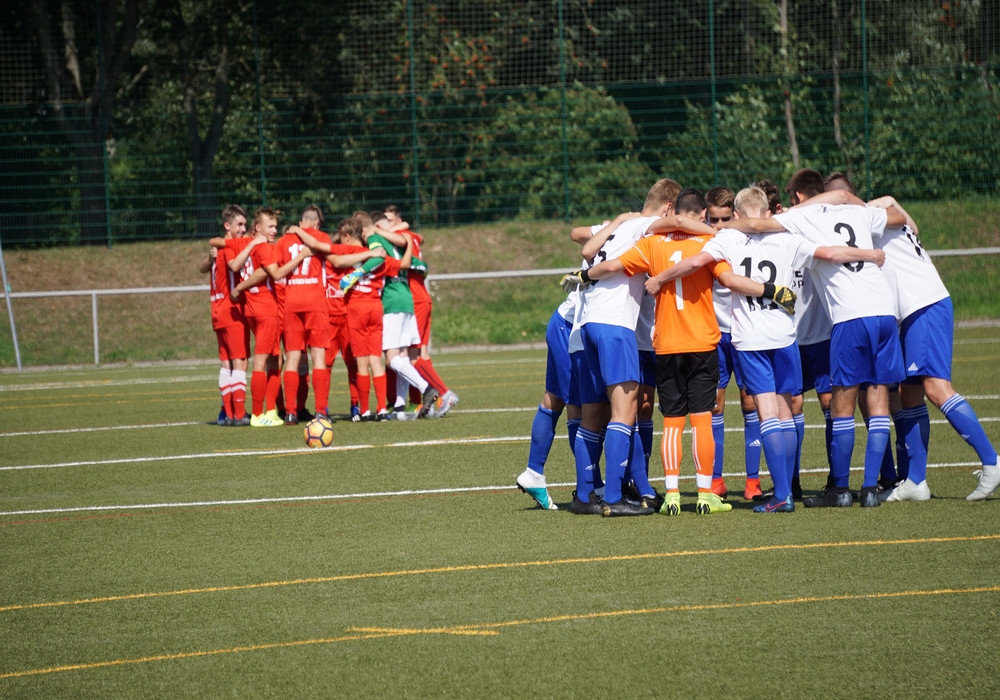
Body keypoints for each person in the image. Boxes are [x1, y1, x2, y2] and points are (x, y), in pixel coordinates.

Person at [645, 186, 885, 512]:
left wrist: (660, 278)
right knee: (787, 412)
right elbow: (830, 253)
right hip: (785, 336)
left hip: (750, 339)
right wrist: (869, 254)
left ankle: (782, 495)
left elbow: (694, 262)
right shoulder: (789, 238)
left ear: (737, 215)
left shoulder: (729, 238)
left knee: (767, 413)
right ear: (769, 213)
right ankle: (789, 487)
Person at [574, 188, 793, 516]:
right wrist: (771, 290)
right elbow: (728, 279)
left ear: (674, 211)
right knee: (702, 420)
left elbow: (612, 265)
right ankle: (705, 494)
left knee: (672, 422)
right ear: (702, 215)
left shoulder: (650, 243)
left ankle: (673, 494)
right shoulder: (709, 243)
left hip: (666, 344)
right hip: (702, 341)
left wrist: (584, 274)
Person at [728, 168, 907, 507]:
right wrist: (856, 204)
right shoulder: (860, 212)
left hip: (850, 316)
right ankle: (871, 489)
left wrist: (720, 227)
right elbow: (899, 217)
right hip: (884, 311)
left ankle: (839, 490)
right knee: (878, 400)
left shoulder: (803, 216)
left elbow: (756, 226)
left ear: (798, 197)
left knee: (841, 405)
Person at [561, 179, 704, 516]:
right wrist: (717, 233)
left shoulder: (621, 226)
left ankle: (596, 492)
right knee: (625, 413)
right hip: (615, 325)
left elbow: (584, 245)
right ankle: (613, 498)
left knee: (602, 412)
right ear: (667, 208)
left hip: (588, 324)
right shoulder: (645, 225)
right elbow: (680, 222)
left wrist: (619, 219)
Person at [862, 194, 1000, 501]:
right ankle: (916, 481)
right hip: (918, 309)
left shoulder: (867, 217)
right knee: (909, 393)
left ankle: (992, 461)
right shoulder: (881, 215)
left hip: (924, 305)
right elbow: (911, 222)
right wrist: (885, 201)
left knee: (937, 388)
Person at [704, 186, 765, 500]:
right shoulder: (704, 244)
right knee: (714, 405)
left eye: (725, 219)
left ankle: (753, 482)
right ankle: (715, 480)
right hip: (714, 335)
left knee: (750, 403)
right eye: (713, 219)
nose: (719, 226)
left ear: (736, 217)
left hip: (744, 332)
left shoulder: (748, 241)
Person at [358, 212, 439, 419]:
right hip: (406, 298)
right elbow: (408, 244)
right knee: (403, 356)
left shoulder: (375, 238)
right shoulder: (399, 241)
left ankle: (427, 388)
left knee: (392, 359)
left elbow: (377, 259)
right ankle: (400, 406)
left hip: (391, 300)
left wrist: (358, 272)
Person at [383, 206, 459, 417]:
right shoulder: (410, 235)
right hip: (421, 298)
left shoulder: (400, 236)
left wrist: (381, 230)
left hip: (413, 300)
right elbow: (421, 238)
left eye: (389, 220)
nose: (386, 224)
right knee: (421, 355)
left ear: (397, 221)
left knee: (412, 357)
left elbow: (404, 239)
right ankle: (428, 402)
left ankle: (443, 394)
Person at [275, 206, 333, 423]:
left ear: (301, 221)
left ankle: (290, 412)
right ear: (317, 223)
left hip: (292, 301)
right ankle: (320, 411)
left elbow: (276, 269)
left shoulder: (284, 241)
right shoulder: (321, 237)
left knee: (292, 357)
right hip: (315, 301)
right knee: (318, 357)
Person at [199, 204, 250, 427]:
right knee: (240, 362)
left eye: (245, 224)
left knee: (226, 363)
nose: (243, 229)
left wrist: (210, 257)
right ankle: (238, 414)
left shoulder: (218, 248)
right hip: (231, 309)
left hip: (217, 310)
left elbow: (203, 267)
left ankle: (226, 413)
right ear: (227, 226)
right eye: (239, 224)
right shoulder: (229, 248)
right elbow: (234, 265)